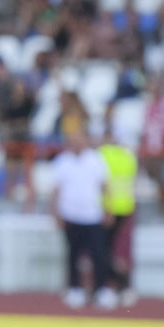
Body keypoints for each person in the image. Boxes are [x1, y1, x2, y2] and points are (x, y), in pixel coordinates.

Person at [50, 129, 113, 310]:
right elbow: (56, 190)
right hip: (71, 215)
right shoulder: (62, 161)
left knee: (99, 254)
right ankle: (75, 289)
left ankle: (101, 289)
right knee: (73, 254)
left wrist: (108, 209)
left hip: (92, 215)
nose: (76, 143)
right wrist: (55, 213)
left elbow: (104, 186)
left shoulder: (95, 160)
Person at [98, 130, 138, 307]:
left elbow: (101, 183)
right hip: (126, 207)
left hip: (108, 208)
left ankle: (114, 286)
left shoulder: (103, 155)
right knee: (119, 251)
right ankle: (124, 287)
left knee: (105, 251)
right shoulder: (130, 157)